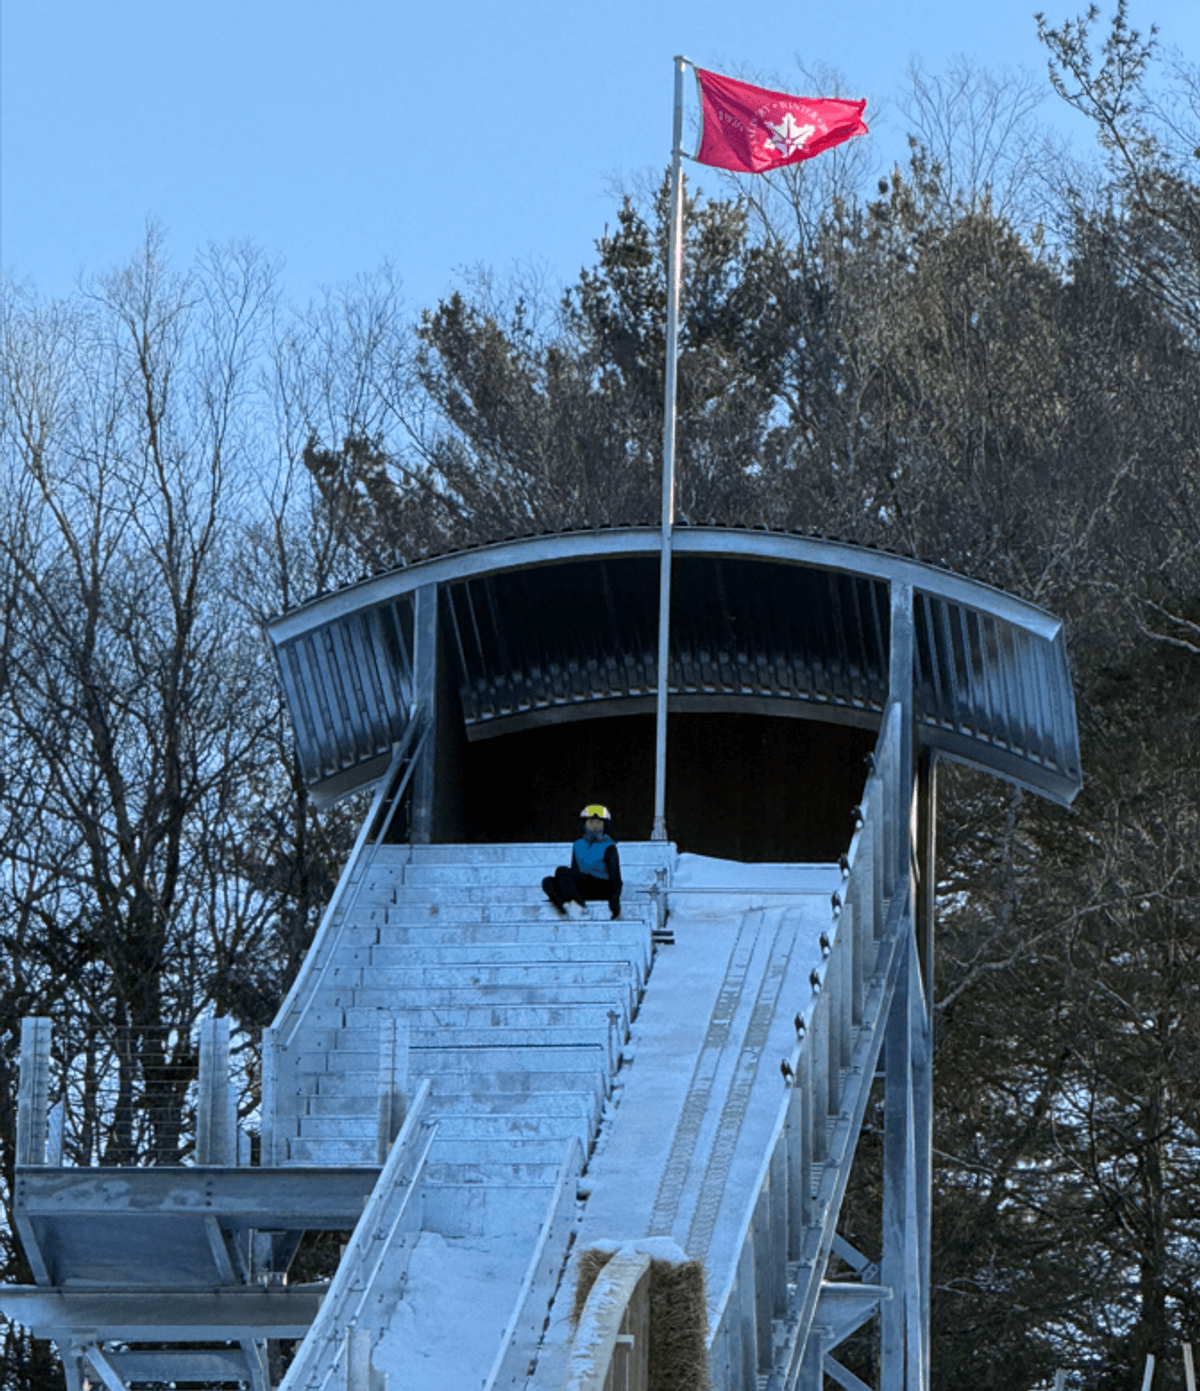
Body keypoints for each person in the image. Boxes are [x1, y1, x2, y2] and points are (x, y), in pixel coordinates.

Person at [543, 804, 622, 919]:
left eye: (598, 822)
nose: (594, 825)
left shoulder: (609, 846)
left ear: (604, 825)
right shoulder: (578, 845)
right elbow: (574, 871)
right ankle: (565, 908)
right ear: (585, 824)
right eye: (591, 822)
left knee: (562, 871)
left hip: (601, 886)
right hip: (583, 886)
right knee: (548, 881)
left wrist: (615, 902)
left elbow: (615, 876)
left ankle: (578, 906)